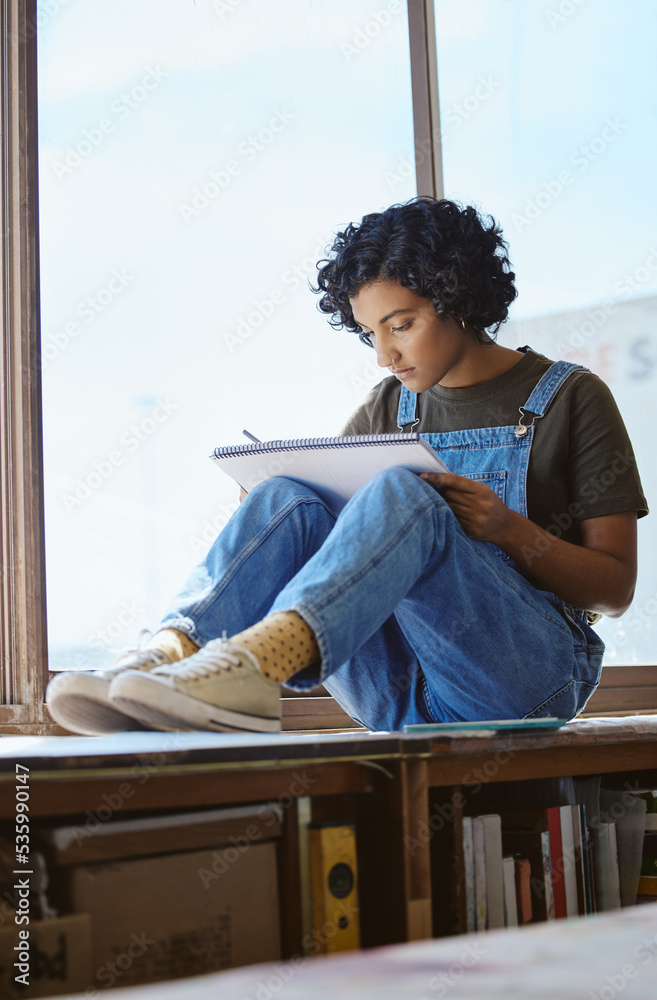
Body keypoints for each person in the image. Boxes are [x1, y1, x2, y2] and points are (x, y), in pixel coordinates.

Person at [46, 197, 648, 737]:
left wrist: (509, 530)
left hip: (521, 681)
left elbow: (616, 589)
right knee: (287, 494)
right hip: (392, 688)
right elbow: (318, 529)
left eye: (402, 325)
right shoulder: (387, 407)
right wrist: (269, 517)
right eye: (370, 334)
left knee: (399, 491)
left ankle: (249, 672)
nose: (386, 355)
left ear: (457, 299)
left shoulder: (571, 397)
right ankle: (166, 657)